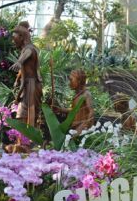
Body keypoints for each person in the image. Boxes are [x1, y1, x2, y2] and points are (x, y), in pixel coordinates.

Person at [7, 21, 43, 153]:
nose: (13, 40)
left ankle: (26, 145)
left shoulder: (29, 48)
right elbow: (24, 69)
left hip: (32, 87)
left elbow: (28, 54)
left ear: (22, 37)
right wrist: (18, 78)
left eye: (14, 37)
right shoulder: (24, 49)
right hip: (28, 86)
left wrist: (19, 61)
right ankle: (21, 143)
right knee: (22, 115)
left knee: (28, 115)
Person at [51, 69, 95, 133]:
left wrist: (85, 125)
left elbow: (91, 111)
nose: (69, 83)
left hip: (81, 128)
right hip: (75, 126)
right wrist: (61, 109)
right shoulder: (77, 95)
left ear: (79, 80)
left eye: (71, 80)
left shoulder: (86, 94)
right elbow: (74, 110)